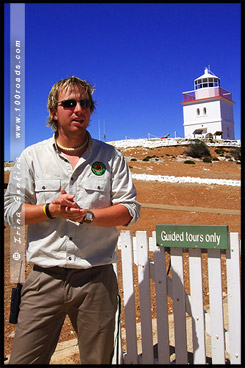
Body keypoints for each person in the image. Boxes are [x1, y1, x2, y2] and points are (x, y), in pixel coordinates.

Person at [4, 76, 141, 364]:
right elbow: (10, 212)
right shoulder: (31, 157)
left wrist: (87, 216)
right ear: (54, 112)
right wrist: (49, 210)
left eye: (85, 103)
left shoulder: (111, 156)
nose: (78, 109)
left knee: (98, 360)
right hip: (44, 277)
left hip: (96, 279)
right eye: (69, 103)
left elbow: (129, 210)